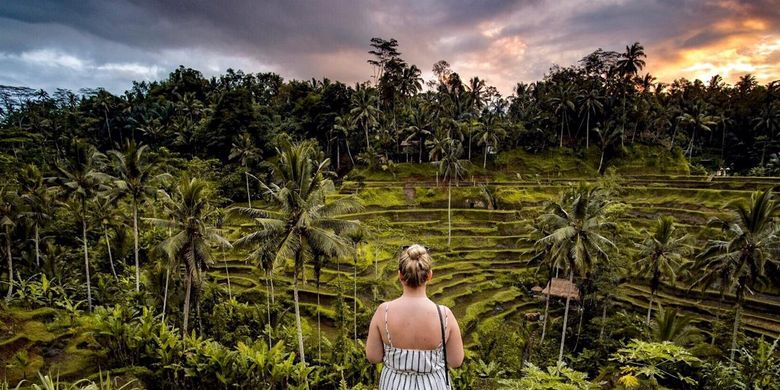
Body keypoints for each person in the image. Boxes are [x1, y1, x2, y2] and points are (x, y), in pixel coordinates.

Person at [365, 244, 464, 389]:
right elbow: (456, 361)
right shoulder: (444, 315)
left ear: (400, 275)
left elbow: (373, 356)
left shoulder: (383, 312)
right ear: (429, 275)